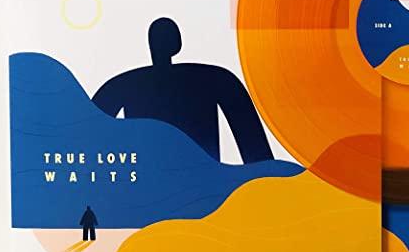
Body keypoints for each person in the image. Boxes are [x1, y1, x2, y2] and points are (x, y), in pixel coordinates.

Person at [92, 17, 274, 163]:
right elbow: (257, 153)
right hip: (201, 186)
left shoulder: (123, 85)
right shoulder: (215, 78)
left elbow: (85, 136)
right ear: (177, 44)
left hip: (162, 186)